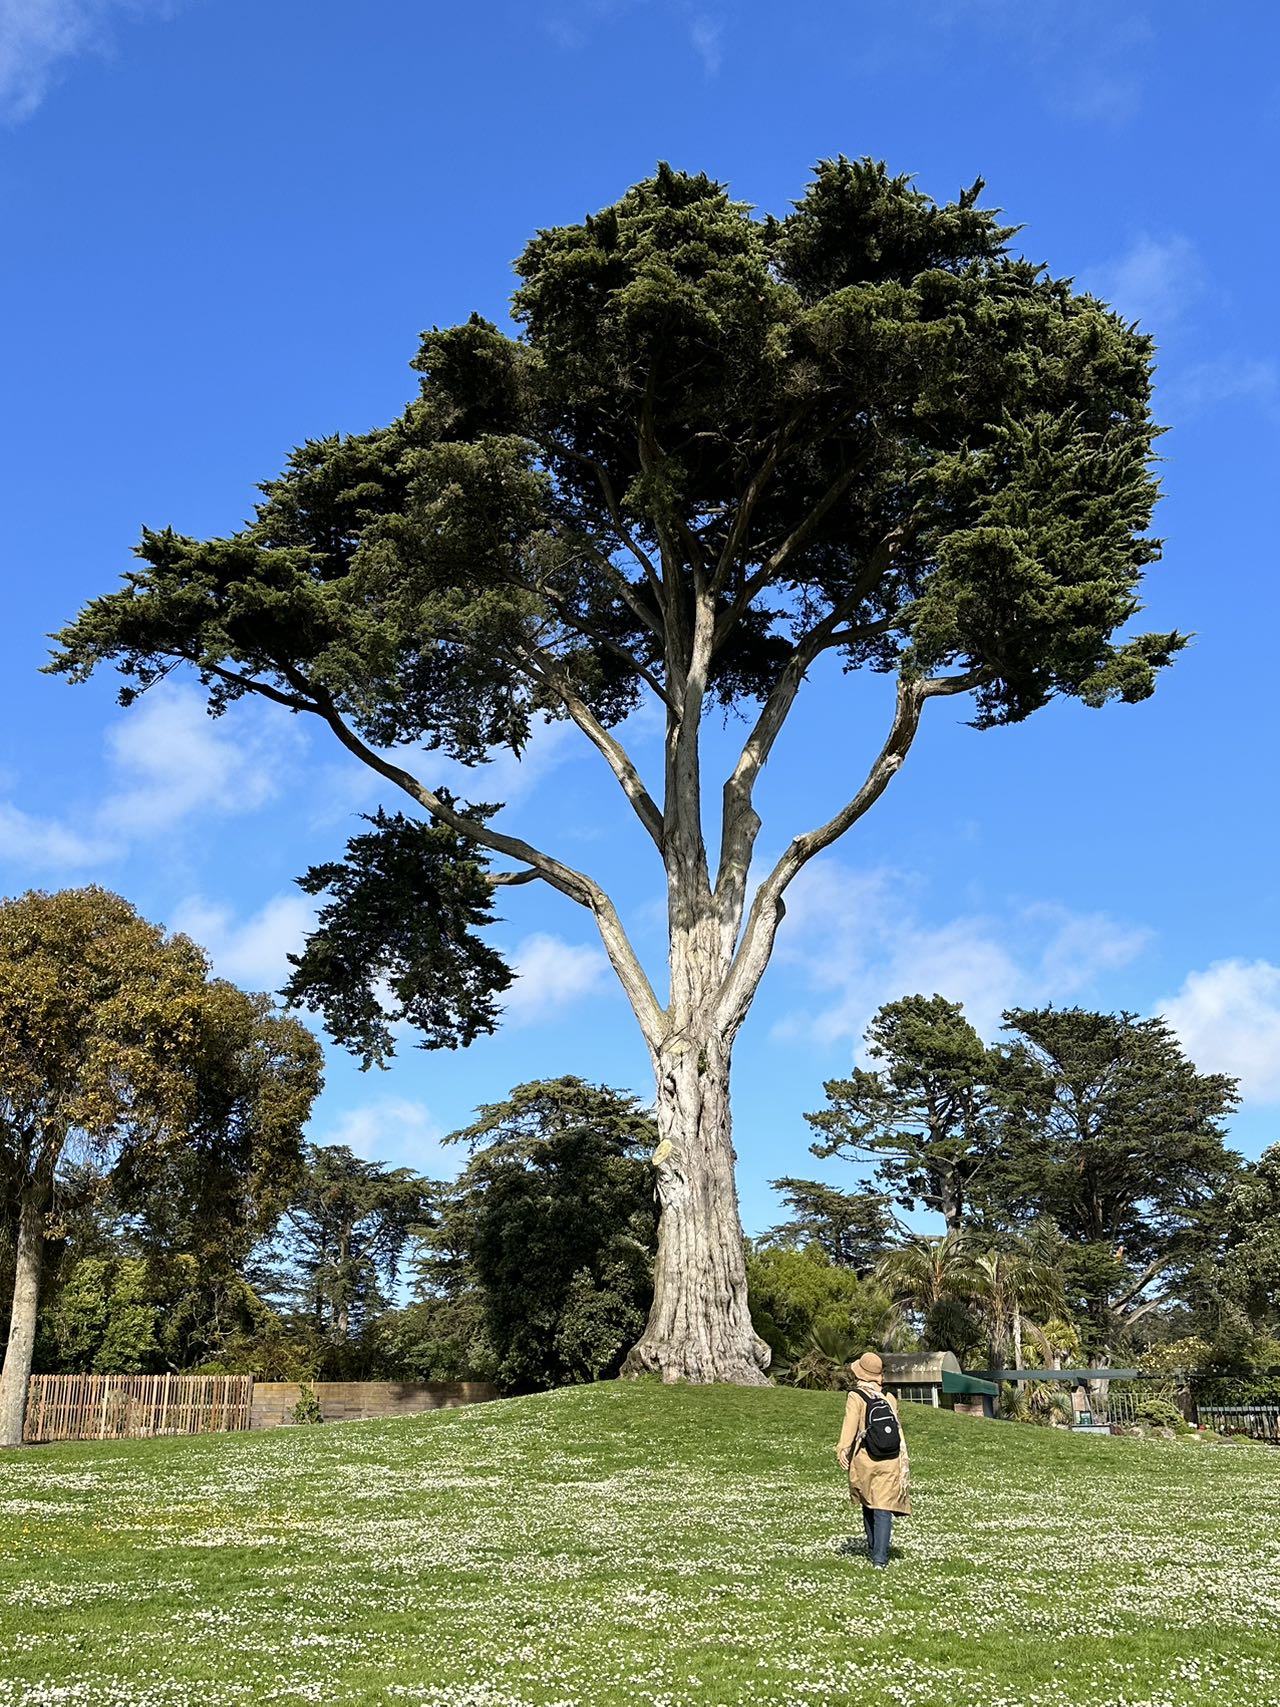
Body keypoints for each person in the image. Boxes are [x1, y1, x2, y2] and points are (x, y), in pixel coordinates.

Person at [836, 1350, 911, 1568]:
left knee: (869, 1502)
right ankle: (880, 1559)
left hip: (866, 1457)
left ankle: (874, 1550)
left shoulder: (856, 1396)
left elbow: (850, 1424)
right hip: (890, 1457)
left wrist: (842, 1448)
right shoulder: (888, 1396)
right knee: (883, 1506)